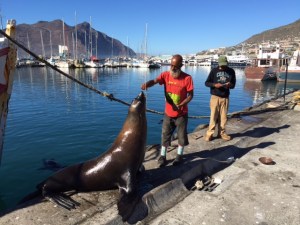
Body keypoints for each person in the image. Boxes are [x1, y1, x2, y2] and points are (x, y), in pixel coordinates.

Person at [141, 54, 194, 167]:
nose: (172, 68)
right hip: (168, 113)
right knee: (165, 135)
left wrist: (181, 104)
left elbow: (190, 95)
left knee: (181, 136)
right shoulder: (165, 75)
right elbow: (155, 81)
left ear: (181, 65)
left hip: (181, 114)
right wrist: (147, 84)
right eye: (171, 65)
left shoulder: (187, 78)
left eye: (175, 66)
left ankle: (179, 156)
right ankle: (163, 156)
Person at [204, 55, 236, 142]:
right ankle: (209, 134)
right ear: (219, 63)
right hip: (215, 96)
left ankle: (222, 133)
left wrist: (230, 85)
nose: (223, 66)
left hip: (225, 97)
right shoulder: (214, 71)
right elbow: (206, 83)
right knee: (213, 116)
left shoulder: (231, 71)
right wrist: (214, 85)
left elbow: (233, 85)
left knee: (224, 117)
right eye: (222, 65)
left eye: (224, 65)